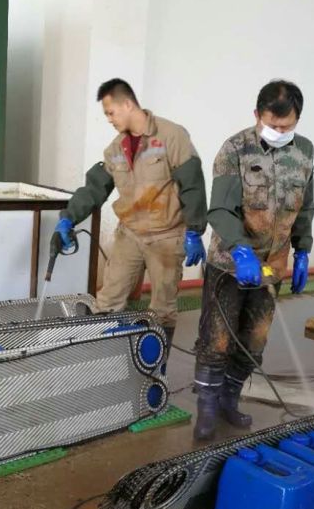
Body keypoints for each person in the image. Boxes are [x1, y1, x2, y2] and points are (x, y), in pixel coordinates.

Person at [193, 79, 314, 440]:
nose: (280, 132)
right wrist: (240, 249)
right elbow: (220, 209)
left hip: (272, 265)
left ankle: (229, 399)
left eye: (287, 126)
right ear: (257, 115)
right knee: (217, 340)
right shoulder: (235, 149)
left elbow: (305, 205)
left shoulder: (305, 151)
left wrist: (303, 249)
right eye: (273, 124)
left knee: (254, 341)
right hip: (230, 264)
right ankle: (207, 408)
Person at [53, 79, 207, 347]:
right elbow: (94, 189)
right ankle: (104, 360)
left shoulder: (172, 136)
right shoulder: (115, 149)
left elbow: (192, 185)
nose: (109, 119)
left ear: (127, 104)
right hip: (130, 234)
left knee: (162, 309)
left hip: (167, 236)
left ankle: (156, 366)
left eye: (110, 113)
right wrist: (68, 218)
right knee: (107, 300)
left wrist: (194, 230)